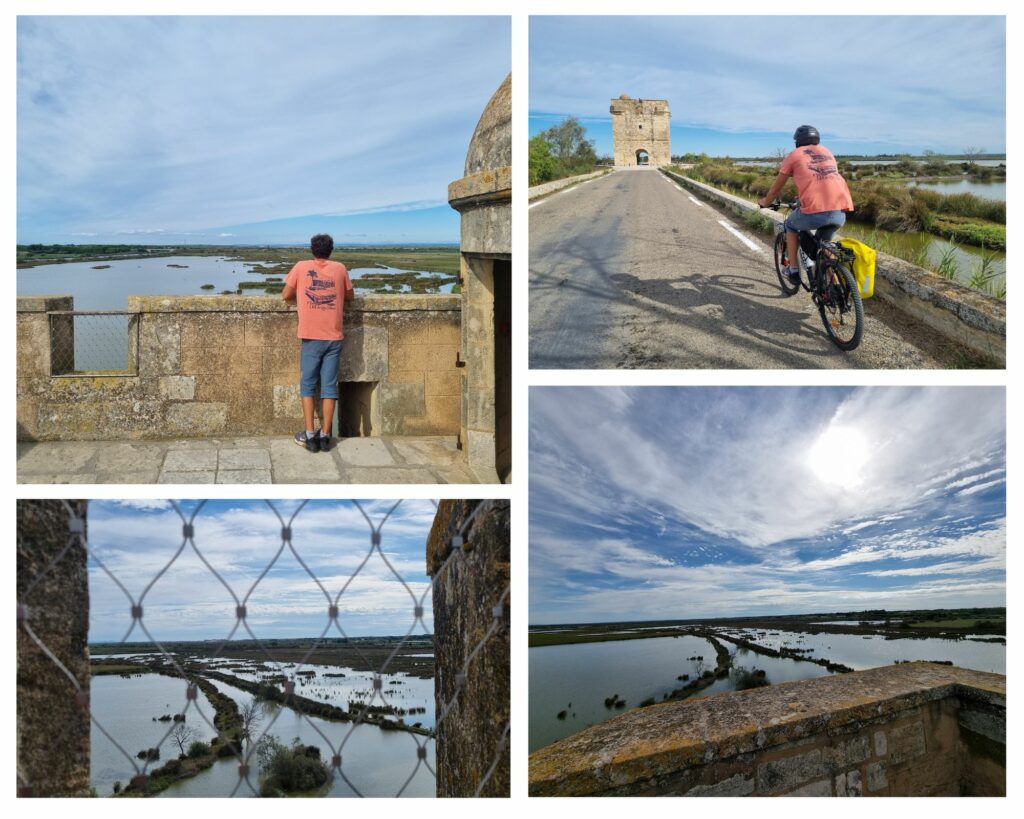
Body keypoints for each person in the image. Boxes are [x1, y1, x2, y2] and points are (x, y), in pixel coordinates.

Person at [282, 233, 354, 452]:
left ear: (312, 249)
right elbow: (350, 296)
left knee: (308, 385)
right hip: (334, 336)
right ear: (331, 250)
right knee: (329, 387)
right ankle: (325, 436)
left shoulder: (301, 267)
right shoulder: (340, 268)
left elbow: (285, 295)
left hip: (311, 336)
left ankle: (310, 436)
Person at [758, 125, 854, 284]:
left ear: (797, 141)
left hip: (816, 213)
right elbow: (822, 182)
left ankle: (793, 270)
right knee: (824, 248)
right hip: (840, 211)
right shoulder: (827, 152)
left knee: (790, 225)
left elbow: (775, 189)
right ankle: (835, 286)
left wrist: (765, 203)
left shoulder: (794, 155)